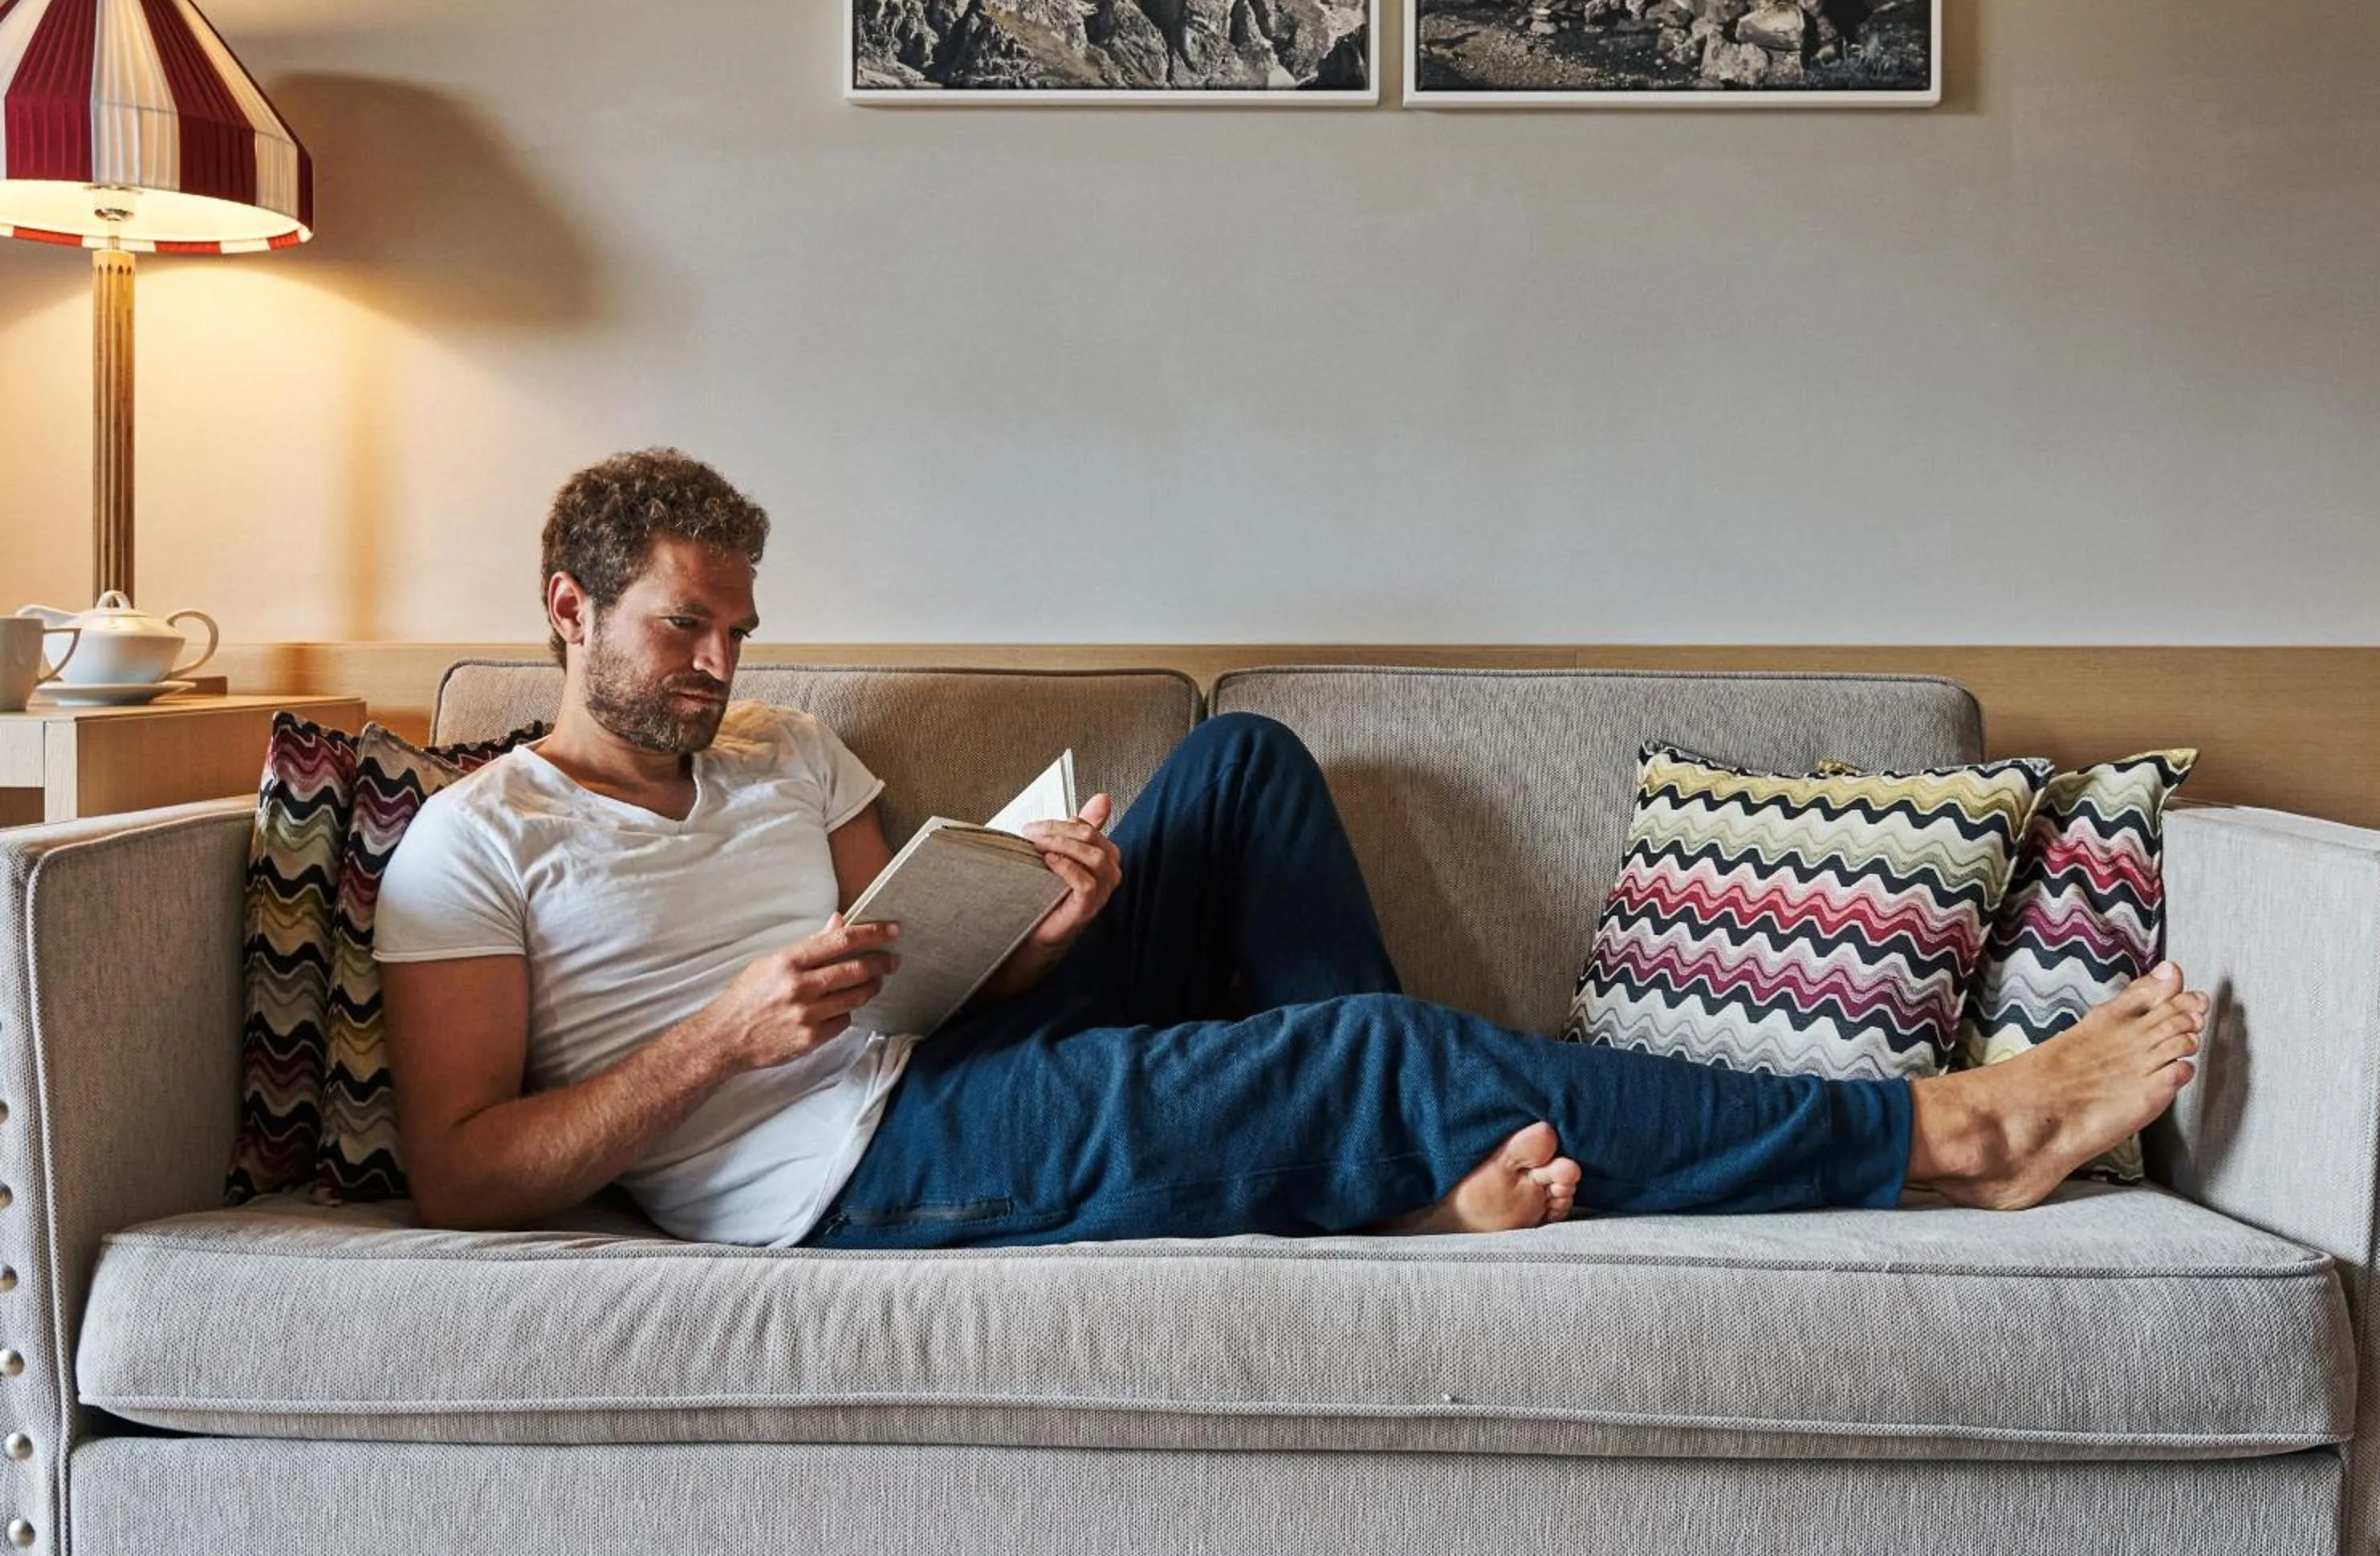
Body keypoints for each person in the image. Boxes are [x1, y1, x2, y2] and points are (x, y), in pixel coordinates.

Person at [374, 449, 2210, 1249]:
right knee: (1376, 1053)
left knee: (1241, 763)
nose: (722, 669)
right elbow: (460, 1173)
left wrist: (1041, 921)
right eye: (686, 630)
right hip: (831, 1171)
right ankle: (1950, 1136)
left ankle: (1408, 1176)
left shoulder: (782, 750)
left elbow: (912, 962)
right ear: (569, 611)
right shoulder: (476, 846)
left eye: (740, 631)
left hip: (930, 1057)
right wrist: (721, 1036)